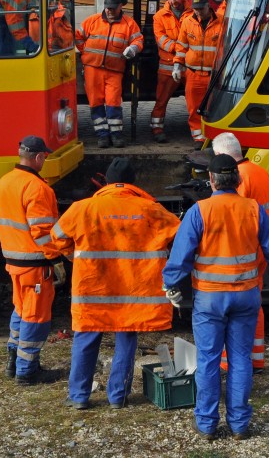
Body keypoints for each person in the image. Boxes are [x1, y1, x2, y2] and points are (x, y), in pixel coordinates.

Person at [162, 153, 269, 442]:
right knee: (241, 359)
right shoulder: (253, 209)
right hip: (245, 295)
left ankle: (207, 425)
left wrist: (171, 283)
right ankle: (239, 425)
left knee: (208, 360)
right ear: (237, 179)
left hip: (210, 298)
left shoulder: (200, 211)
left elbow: (181, 255)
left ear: (211, 180)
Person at [49, 158, 180, 410]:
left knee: (86, 337)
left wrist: (73, 256)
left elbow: (57, 237)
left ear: (106, 181)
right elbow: (181, 235)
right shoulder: (151, 209)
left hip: (92, 290)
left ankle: (78, 396)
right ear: (132, 183)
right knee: (126, 337)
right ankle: (118, 396)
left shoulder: (82, 208)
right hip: (132, 291)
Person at [0, 135, 65, 386]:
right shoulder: (37, 188)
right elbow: (42, 232)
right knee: (36, 317)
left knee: (21, 310)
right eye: (44, 157)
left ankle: (14, 362)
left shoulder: (5, 181)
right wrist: (57, 258)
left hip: (14, 262)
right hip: (35, 266)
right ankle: (27, 371)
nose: (45, 160)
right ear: (37, 157)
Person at [211, 132, 269, 372]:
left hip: (241, 253)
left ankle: (231, 362)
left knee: (232, 309)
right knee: (253, 306)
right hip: (257, 249)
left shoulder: (241, 177)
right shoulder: (260, 172)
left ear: (221, 155)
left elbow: (234, 214)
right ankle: (256, 358)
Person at [76, 0, 144, 149]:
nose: (109, 11)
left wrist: (133, 49)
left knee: (113, 101)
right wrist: (85, 52)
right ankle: (102, 135)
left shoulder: (129, 24)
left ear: (120, 7)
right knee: (95, 102)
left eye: (112, 8)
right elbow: (78, 36)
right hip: (92, 69)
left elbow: (138, 40)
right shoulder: (92, 21)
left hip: (114, 70)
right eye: (107, 8)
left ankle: (116, 134)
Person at [173, 0, 224, 147]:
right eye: (195, 9)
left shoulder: (222, 21)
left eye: (201, 9)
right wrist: (177, 66)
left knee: (214, 107)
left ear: (208, 6)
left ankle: (214, 137)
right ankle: (199, 138)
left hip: (214, 75)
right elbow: (181, 46)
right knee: (194, 107)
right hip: (193, 73)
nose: (198, 12)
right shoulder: (187, 22)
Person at [150, 0, 190, 143]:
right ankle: (156, 128)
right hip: (168, 65)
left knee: (196, 100)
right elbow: (161, 39)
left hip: (189, 65)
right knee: (161, 99)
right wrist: (180, 48)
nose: (173, 1)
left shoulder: (193, 12)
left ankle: (199, 131)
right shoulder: (159, 16)